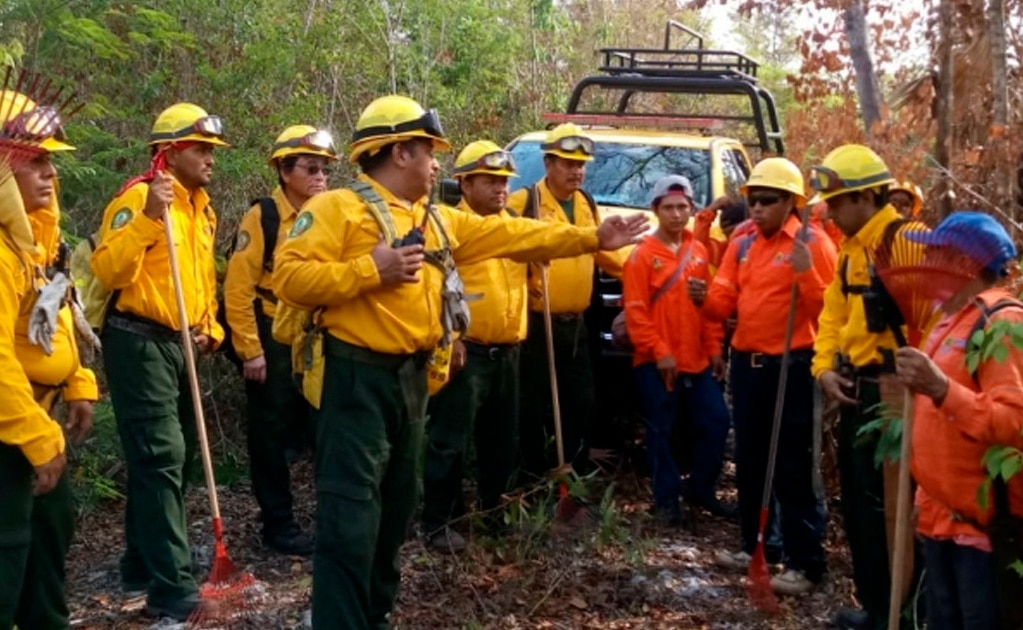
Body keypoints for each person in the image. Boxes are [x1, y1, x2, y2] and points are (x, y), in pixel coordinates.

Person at [271, 95, 647, 629]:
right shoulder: (337, 209)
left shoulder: (438, 221)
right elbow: (288, 279)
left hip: (411, 381)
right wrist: (367, 269)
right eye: (429, 152)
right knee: (351, 514)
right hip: (355, 379)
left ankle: (372, 616)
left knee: (395, 509)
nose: (435, 164)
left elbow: (515, 234)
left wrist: (589, 237)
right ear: (400, 152)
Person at [91, 102, 228, 621]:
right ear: (169, 153)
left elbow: (198, 276)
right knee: (160, 456)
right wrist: (149, 217)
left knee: (173, 456)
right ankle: (172, 587)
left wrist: (209, 324)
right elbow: (108, 270)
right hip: (138, 340)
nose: (211, 158)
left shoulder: (201, 205)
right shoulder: (135, 199)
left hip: (180, 343)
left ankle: (138, 561)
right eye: (201, 149)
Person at [690, 157, 836, 594]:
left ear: (791, 202)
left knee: (793, 464)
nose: (757, 208)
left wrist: (805, 271)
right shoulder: (742, 242)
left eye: (768, 201)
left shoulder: (814, 243)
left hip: (792, 367)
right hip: (748, 367)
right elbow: (724, 300)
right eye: (753, 200)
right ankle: (755, 546)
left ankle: (805, 562)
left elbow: (830, 312)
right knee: (751, 461)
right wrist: (704, 298)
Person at [809, 144, 924, 629]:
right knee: (859, 506)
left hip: (897, 392)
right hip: (856, 389)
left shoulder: (907, 239)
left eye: (837, 203)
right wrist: (823, 370)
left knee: (893, 509)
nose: (830, 212)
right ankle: (876, 605)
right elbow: (832, 316)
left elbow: (938, 315)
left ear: (867, 198)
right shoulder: (849, 247)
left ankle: (903, 611)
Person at [895, 211, 1023, 630]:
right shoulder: (946, 320)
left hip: (982, 534)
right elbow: (933, 427)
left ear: (963, 263)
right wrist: (922, 502)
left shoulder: (1001, 323)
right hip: (941, 522)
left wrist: (941, 389)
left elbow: (1013, 424)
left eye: (935, 253)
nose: (925, 263)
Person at [0, 89, 98, 630]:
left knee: (49, 538)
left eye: (51, 161)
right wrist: (36, 438)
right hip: (10, 432)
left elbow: (57, 317)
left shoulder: (40, 243)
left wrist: (78, 383)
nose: (50, 174)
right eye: (36, 160)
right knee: (8, 550)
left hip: (40, 417)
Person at [223, 125, 337, 556]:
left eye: (324, 168)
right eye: (311, 167)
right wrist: (250, 350)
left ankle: (332, 517)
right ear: (284, 170)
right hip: (272, 333)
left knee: (323, 427)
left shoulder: (329, 212)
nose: (320, 176)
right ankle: (278, 523)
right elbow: (238, 288)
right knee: (269, 434)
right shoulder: (263, 217)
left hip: (317, 336)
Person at [421, 140, 525, 553]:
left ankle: (493, 514)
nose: (500, 188)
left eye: (503, 181)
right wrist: (452, 338)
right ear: (465, 184)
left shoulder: (514, 223)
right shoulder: (448, 227)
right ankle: (439, 521)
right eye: (490, 181)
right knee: (450, 440)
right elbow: (434, 289)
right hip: (467, 352)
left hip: (509, 351)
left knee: (502, 441)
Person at [507, 122, 626, 479]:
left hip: (577, 324)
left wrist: (641, 274)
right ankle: (530, 477)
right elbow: (503, 250)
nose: (577, 171)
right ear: (548, 164)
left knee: (581, 401)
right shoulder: (524, 202)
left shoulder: (587, 203)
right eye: (568, 163)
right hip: (536, 325)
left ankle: (571, 475)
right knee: (532, 404)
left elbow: (602, 251)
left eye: (581, 164)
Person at [623, 175, 730, 526]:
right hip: (655, 362)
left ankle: (700, 488)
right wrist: (658, 350)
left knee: (716, 421)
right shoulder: (640, 256)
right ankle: (666, 500)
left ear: (691, 209)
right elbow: (636, 312)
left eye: (682, 207)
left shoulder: (698, 252)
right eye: (668, 207)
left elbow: (708, 307)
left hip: (697, 360)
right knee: (660, 430)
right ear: (656, 210)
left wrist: (715, 348)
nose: (676, 214)